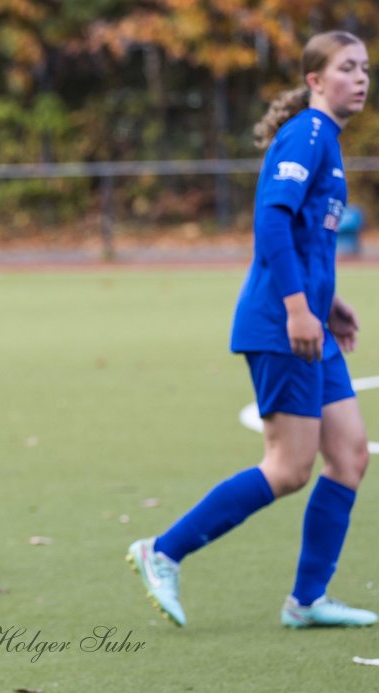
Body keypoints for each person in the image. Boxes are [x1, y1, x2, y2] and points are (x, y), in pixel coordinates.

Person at [128, 31, 374, 630]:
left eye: (366, 67)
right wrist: (295, 309)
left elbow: (306, 240)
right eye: (347, 68)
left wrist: (328, 300)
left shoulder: (329, 143)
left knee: (348, 456)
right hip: (281, 328)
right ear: (315, 79)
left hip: (309, 324)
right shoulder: (309, 135)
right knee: (288, 467)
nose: (362, 78)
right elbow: (270, 222)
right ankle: (162, 550)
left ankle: (307, 600)